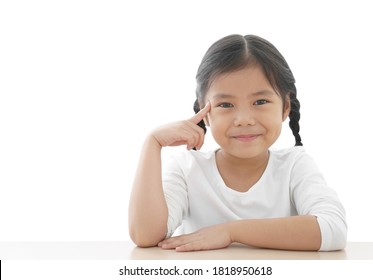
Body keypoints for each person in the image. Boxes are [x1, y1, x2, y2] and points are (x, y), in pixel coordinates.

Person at [128, 34, 347, 252]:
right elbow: (144, 235)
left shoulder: (294, 165)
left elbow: (332, 229)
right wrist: (152, 143)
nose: (244, 120)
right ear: (205, 112)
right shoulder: (187, 169)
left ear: (285, 107)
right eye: (225, 104)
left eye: (260, 101)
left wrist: (231, 232)